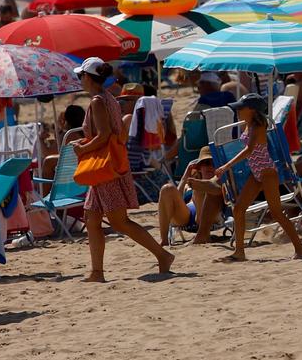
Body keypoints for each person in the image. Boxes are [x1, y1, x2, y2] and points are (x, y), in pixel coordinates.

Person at [73, 58, 173, 281]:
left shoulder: (98, 101)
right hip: (105, 167)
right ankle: (97, 271)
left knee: (119, 221)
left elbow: (104, 135)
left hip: (105, 167)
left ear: (88, 77)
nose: (80, 80)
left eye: (81, 76)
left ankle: (163, 255)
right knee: (92, 218)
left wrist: (82, 148)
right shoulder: (108, 98)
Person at [224, 95, 302, 261]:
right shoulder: (248, 125)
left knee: (277, 213)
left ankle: (300, 249)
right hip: (256, 173)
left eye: (241, 108)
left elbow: (249, 150)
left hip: (267, 172)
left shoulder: (258, 126)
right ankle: (239, 252)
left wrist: (226, 166)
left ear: (252, 110)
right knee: (238, 208)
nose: (237, 111)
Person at [157, 146, 225, 246]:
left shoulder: (220, 183)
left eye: (213, 163)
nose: (210, 167)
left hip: (210, 217)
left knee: (200, 188)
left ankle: (202, 231)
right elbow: (177, 198)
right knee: (167, 189)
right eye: (206, 163)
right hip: (186, 216)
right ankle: (164, 240)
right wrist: (185, 176)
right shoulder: (190, 184)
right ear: (200, 167)